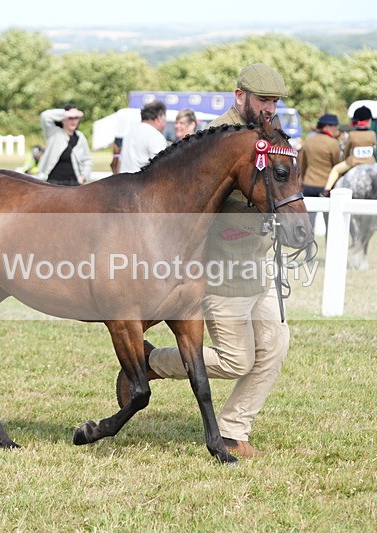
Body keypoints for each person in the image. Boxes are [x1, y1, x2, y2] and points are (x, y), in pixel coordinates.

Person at [116, 63, 291, 458]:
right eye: (263, 100)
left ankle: (232, 429)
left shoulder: (270, 136)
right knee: (235, 359)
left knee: (277, 344)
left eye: (275, 101)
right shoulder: (211, 141)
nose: (269, 108)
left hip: (256, 264)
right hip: (220, 269)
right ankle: (151, 362)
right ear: (240, 96)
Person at [299, 114, 341, 226]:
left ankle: (308, 243)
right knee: (330, 221)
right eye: (335, 126)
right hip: (326, 186)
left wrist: (302, 181)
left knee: (309, 222)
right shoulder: (333, 143)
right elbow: (337, 166)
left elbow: (303, 164)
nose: (336, 129)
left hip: (309, 184)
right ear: (327, 126)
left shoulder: (308, 141)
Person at [37, 104, 93, 186]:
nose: (73, 121)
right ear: (62, 119)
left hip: (74, 184)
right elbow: (45, 116)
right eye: (70, 118)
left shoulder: (80, 137)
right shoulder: (54, 133)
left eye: (76, 118)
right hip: (53, 183)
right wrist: (66, 113)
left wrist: (84, 176)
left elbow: (87, 160)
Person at [324, 105, 377, 191]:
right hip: (370, 161)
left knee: (335, 170)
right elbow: (374, 150)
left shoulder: (352, 134)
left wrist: (346, 159)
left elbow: (346, 150)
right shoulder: (372, 134)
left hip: (353, 161)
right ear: (368, 120)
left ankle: (326, 190)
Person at [119, 101, 167, 173]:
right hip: (141, 183)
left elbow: (120, 163)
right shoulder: (155, 136)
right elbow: (161, 168)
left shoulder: (129, 133)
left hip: (122, 181)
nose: (165, 123)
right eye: (165, 119)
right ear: (159, 117)